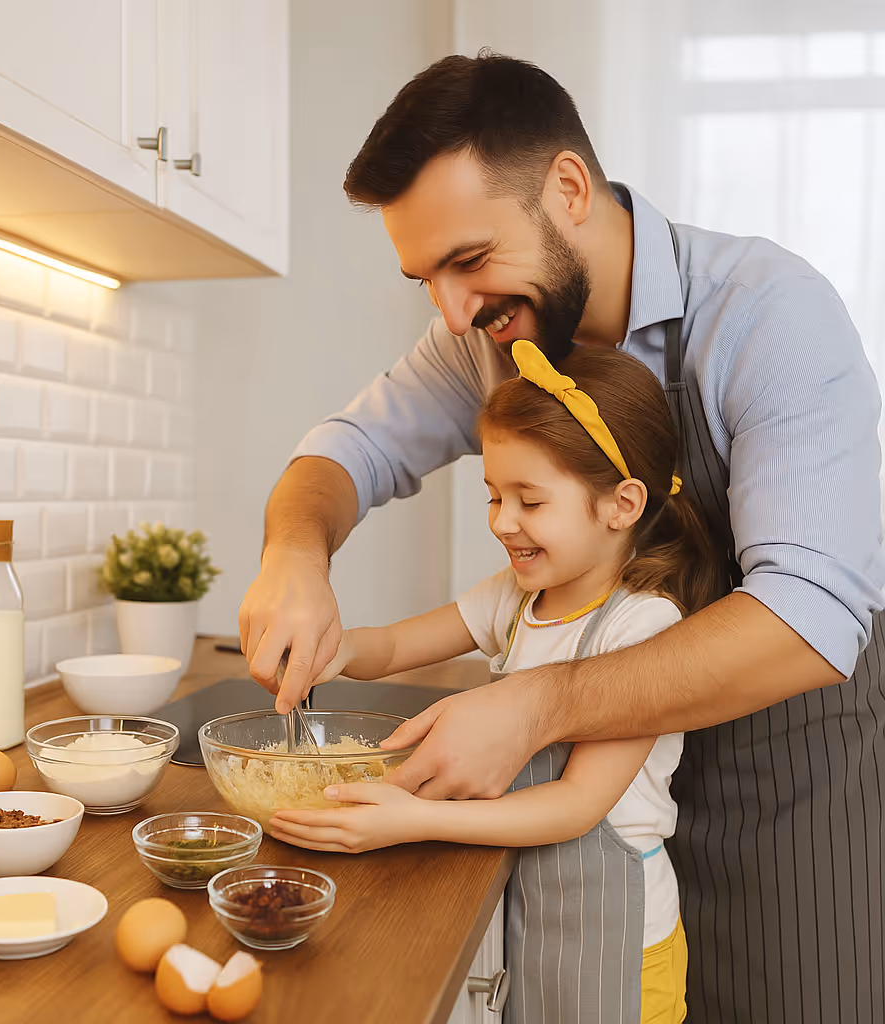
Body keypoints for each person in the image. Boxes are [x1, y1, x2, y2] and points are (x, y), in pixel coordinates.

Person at [239, 53, 885, 1023]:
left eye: (467, 261)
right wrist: (294, 553)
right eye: (425, 278)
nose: (452, 312)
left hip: (784, 787)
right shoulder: (492, 338)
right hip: (596, 826)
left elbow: (807, 616)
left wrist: (539, 704)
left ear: (569, 189)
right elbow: (348, 450)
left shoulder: (765, 313)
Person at [270, 340, 722, 1024]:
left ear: (622, 505)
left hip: (621, 938)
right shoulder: (514, 598)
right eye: (494, 496)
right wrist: (327, 647)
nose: (503, 522)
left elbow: (577, 805)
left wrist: (417, 821)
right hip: (532, 910)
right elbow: (394, 644)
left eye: (530, 501)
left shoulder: (644, 629)